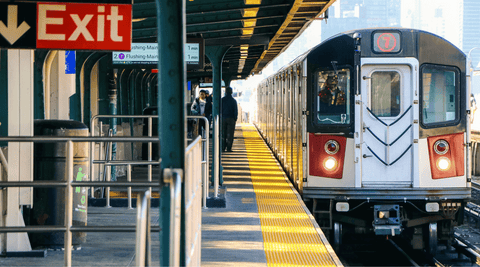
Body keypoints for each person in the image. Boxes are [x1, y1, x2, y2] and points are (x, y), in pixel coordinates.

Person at [222, 87, 238, 152]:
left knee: (223, 134)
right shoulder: (233, 101)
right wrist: (235, 118)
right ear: (231, 92)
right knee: (230, 134)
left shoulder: (222, 100)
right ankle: (229, 148)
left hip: (223, 118)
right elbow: (235, 111)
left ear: (225, 92)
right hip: (231, 119)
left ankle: (222, 148)